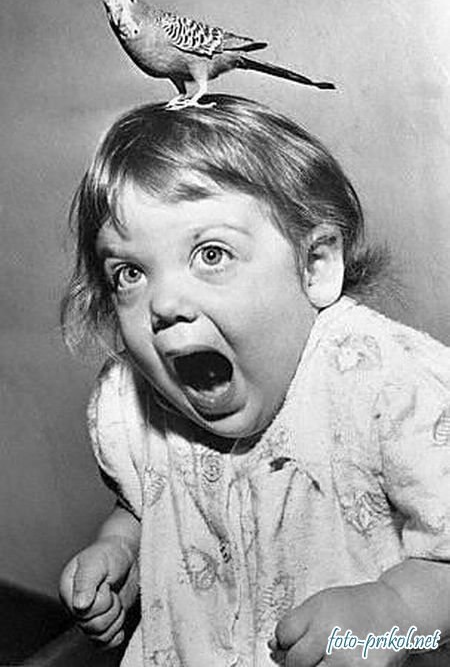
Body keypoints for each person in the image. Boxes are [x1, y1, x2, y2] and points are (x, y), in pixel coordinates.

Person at [59, 95, 450, 667]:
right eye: (131, 272)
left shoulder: (386, 385)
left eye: (211, 254)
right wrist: (121, 552)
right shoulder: (136, 404)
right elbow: (145, 506)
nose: (164, 304)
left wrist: (393, 614)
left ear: (315, 265)